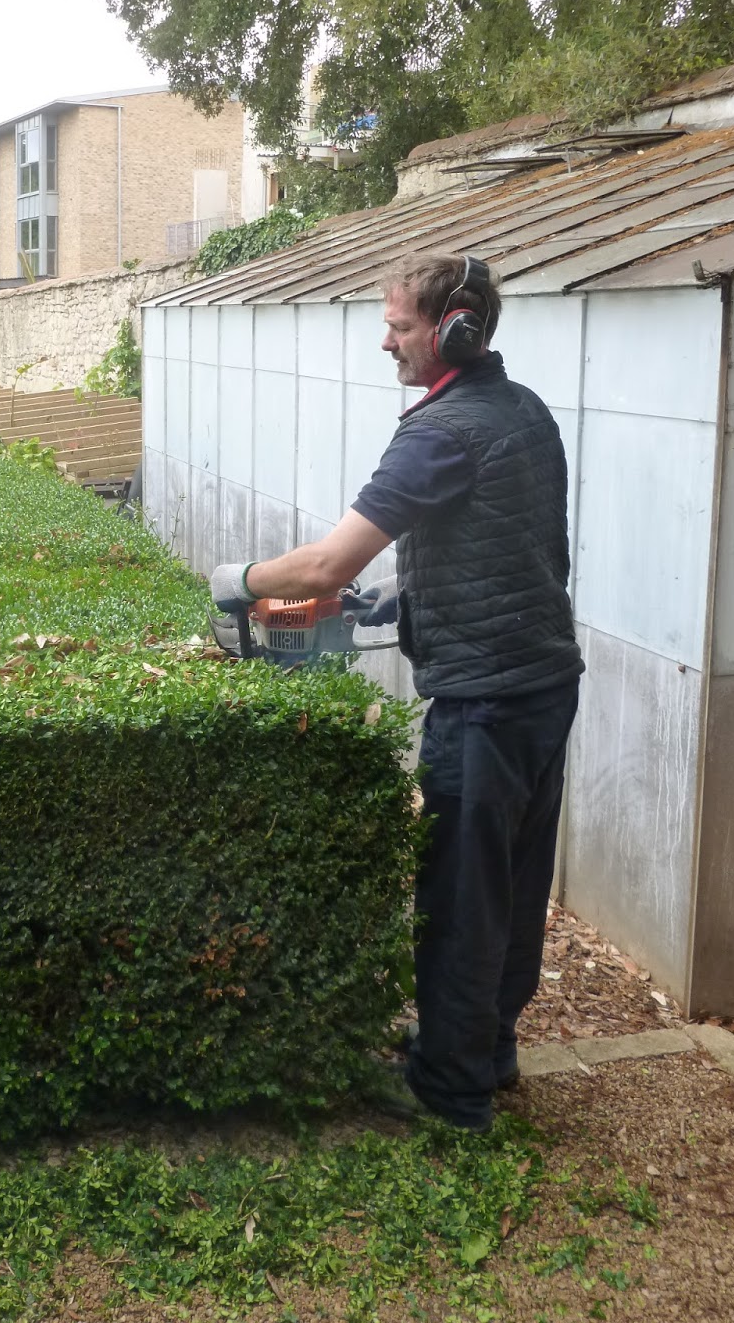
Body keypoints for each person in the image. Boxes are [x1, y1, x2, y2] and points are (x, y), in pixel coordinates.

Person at [209, 250, 583, 1132]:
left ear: (452, 330)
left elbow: (332, 560)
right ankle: (489, 1053)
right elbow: (516, 545)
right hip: (546, 683)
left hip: (483, 703)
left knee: (458, 896)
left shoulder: (437, 431)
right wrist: (404, 596)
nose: (386, 343)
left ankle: (448, 1092)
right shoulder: (523, 412)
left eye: (399, 325)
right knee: (514, 885)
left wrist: (240, 578)